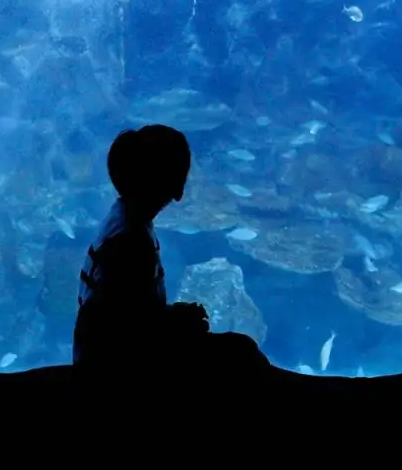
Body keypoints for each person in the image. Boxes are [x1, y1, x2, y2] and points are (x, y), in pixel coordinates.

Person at [72, 124, 272, 377]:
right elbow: (131, 332)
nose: (181, 188)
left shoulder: (123, 218)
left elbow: (128, 310)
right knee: (241, 352)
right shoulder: (131, 241)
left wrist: (173, 316)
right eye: (179, 173)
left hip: (100, 354)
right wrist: (181, 324)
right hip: (113, 369)